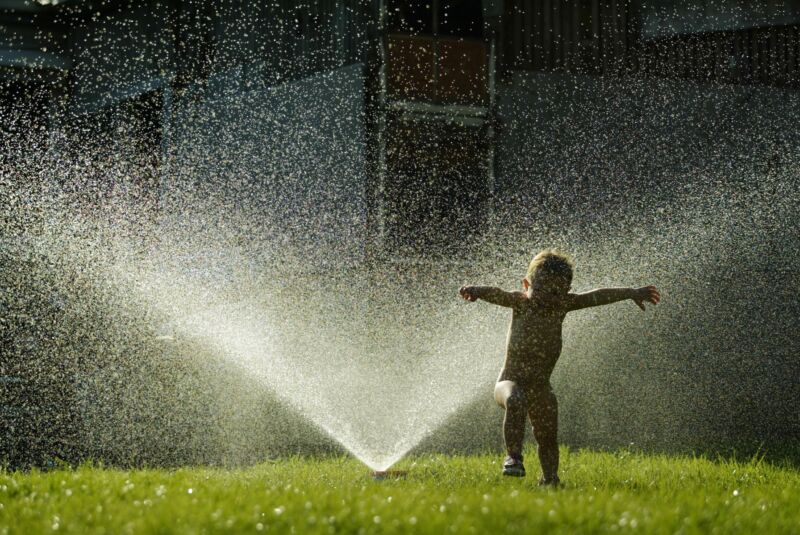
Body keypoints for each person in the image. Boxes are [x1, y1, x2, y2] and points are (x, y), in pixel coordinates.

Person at [459, 249, 660, 486]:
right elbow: (497, 293)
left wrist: (631, 293)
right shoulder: (520, 302)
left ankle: (550, 479)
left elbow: (598, 296)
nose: (548, 297)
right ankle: (513, 457)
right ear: (526, 285)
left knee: (548, 438)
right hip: (509, 382)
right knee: (516, 400)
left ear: (566, 291)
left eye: (556, 291)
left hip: (541, 386)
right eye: (541, 288)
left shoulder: (563, 305)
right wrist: (477, 291)